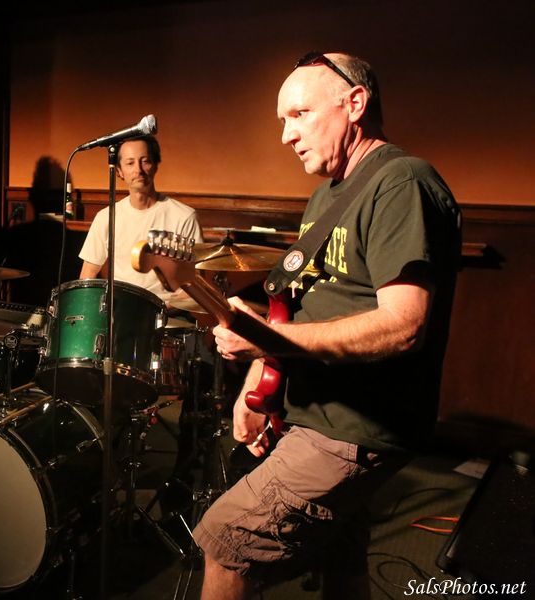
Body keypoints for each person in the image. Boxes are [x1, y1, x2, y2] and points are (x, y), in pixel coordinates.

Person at [194, 53, 462, 600]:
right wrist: (256, 387)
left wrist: (263, 344)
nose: (287, 135)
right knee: (342, 558)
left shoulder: (402, 181)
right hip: (314, 411)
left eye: (299, 114)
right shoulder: (327, 195)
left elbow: (403, 325)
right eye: (282, 121)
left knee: (226, 540)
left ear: (355, 104)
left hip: (354, 426)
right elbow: (294, 308)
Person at [78, 134, 203, 303]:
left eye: (145, 161)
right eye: (130, 163)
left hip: (168, 311)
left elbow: (196, 283)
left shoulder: (184, 217)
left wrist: (164, 308)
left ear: (155, 165)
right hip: (120, 310)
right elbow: (87, 276)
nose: (138, 170)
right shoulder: (105, 218)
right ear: (119, 171)